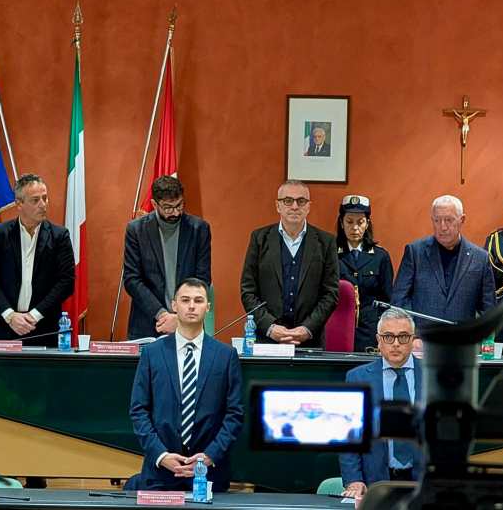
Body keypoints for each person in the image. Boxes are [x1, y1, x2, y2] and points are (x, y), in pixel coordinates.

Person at [129, 278, 243, 492]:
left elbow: (235, 414)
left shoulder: (226, 356)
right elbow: (138, 410)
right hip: (160, 473)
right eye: (185, 300)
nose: (191, 306)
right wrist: (161, 455)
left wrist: (210, 455)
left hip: (209, 474)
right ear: (174, 305)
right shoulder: (152, 354)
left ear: (208, 307)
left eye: (198, 300)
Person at [240, 180, 340, 348]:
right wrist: (270, 327)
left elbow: (330, 294)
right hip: (267, 341)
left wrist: (307, 329)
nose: (294, 206)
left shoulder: (326, 242)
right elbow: (248, 290)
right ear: (278, 206)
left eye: (301, 201)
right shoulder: (259, 239)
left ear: (308, 206)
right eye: (288, 201)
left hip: (310, 342)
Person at [0, 173, 75, 346]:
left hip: (43, 327)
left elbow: (66, 282)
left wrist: (34, 315)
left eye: (45, 198)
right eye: (35, 200)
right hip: (4, 327)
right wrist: (10, 315)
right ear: (19, 204)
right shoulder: (0, 234)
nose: (43, 205)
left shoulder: (59, 236)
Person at [339, 308, 423, 499]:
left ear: (412, 340)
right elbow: (349, 436)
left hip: (423, 481)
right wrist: (354, 480)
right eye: (388, 337)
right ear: (378, 340)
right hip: (375, 482)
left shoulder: (432, 375)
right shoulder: (357, 377)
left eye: (403, 337)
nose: (396, 344)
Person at [123, 176, 211, 339]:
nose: (176, 212)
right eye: (168, 208)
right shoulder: (136, 230)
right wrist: (163, 315)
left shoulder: (199, 229)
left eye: (179, 205)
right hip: (147, 324)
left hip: (189, 323)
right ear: (154, 204)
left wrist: (180, 317)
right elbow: (132, 279)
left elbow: (202, 279)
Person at [391, 195, 495, 325]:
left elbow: (488, 310)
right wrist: (412, 332)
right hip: (422, 336)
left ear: (462, 220)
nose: (443, 227)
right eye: (437, 220)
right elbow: (399, 301)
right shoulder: (415, 252)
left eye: (449, 220)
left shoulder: (480, 258)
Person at [335, 195, 394, 352]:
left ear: (367, 223)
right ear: (341, 223)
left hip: (370, 331)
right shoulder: (330, 253)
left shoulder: (380, 256)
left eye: (360, 222)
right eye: (349, 222)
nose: (355, 228)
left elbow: (387, 300)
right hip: (338, 328)